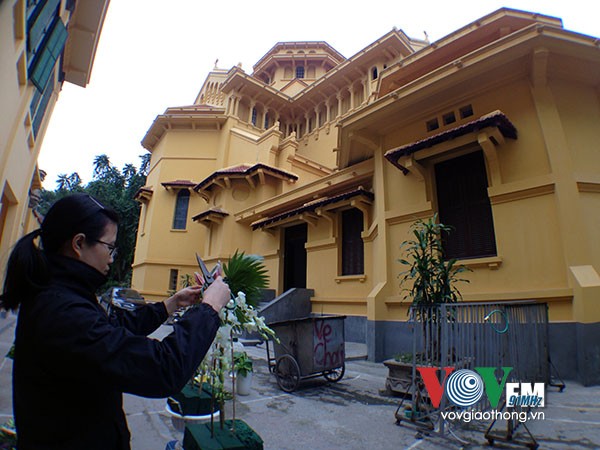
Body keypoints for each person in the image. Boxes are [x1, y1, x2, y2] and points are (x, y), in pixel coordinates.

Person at [0, 194, 231, 450]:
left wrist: (171, 304)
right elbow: (163, 369)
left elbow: (111, 331)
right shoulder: (62, 313)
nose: (111, 258)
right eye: (109, 247)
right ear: (79, 243)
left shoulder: (64, 294)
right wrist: (210, 308)